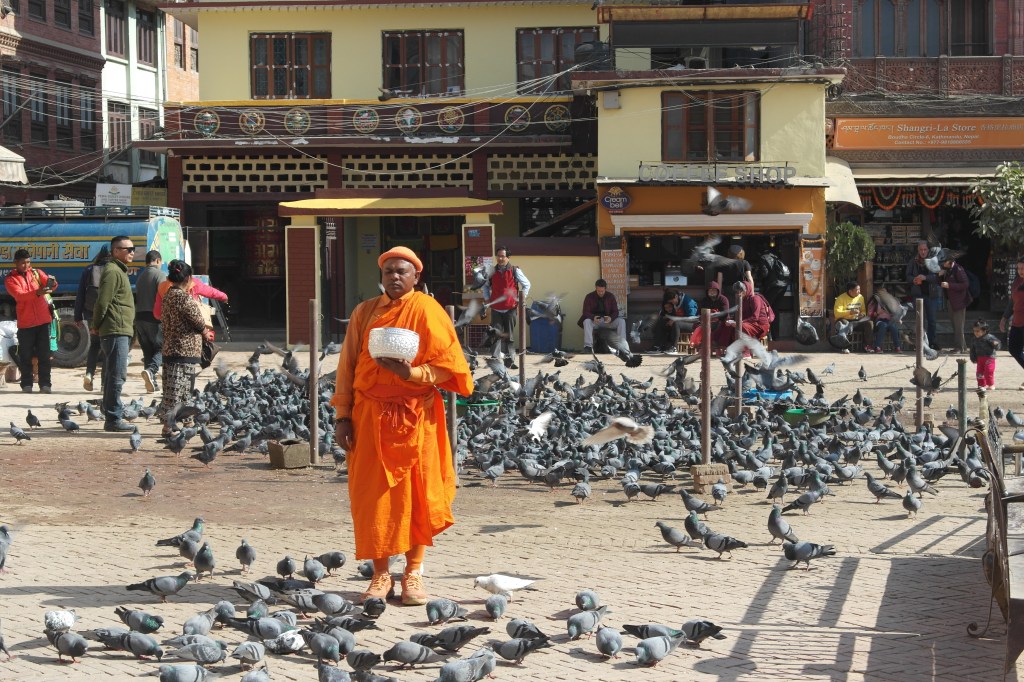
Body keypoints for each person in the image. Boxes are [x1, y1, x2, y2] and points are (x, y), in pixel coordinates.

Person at [331, 246, 473, 606]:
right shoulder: (364, 313)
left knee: (420, 496)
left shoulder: (428, 311)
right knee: (373, 498)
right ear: (381, 276)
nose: (394, 277)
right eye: (389, 271)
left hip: (418, 418)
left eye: (402, 272)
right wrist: (342, 415)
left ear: (416, 278)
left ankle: (413, 572)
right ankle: (380, 575)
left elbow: (450, 366)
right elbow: (346, 366)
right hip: (369, 416)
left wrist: (410, 373)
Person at [156, 260, 207, 435]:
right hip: (183, 349)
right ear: (188, 278)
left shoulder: (168, 295)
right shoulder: (183, 298)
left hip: (170, 348)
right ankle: (168, 426)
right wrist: (205, 332)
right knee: (177, 390)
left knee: (179, 389)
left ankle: (187, 422)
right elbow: (198, 321)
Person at [91, 235, 136, 432]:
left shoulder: (119, 271)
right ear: (116, 251)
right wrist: (96, 325)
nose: (132, 252)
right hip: (115, 329)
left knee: (113, 375)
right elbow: (103, 302)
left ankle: (111, 414)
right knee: (117, 375)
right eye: (128, 249)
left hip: (120, 329)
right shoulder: (112, 271)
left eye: (133, 248)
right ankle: (113, 418)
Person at [4, 248, 56, 393]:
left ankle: (46, 385)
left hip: (43, 321)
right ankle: (27, 385)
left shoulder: (37, 273)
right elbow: (20, 296)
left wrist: (52, 283)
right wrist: (38, 292)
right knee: (25, 356)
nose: (26, 265)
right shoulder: (10, 279)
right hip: (26, 323)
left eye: (28, 262)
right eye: (23, 263)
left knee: (45, 355)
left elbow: (51, 286)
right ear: (15, 263)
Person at [482, 245, 530, 369]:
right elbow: (485, 286)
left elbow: (527, 284)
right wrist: (487, 298)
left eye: (503, 256)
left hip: (511, 308)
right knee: (495, 334)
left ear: (508, 258)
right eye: (498, 256)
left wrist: (521, 299)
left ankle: (510, 361)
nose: (500, 258)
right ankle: (495, 360)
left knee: (509, 335)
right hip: (496, 308)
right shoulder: (491, 272)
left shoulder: (515, 270)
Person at [74, 247, 109, 391]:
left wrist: (78, 316)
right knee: (107, 348)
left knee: (94, 345)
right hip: (107, 315)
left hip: (90, 313)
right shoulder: (113, 270)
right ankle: (103, 384)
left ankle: (89, 373)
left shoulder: (89, 270)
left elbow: (81, 293)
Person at [135, 249, 166, 393]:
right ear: (158, 260)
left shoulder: (140, 277)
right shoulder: (160, 275)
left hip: (140, 317)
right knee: (161, 348)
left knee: (147, 351)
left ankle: (151, 383)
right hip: (154, 318)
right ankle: (151, 370)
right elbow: (164, 297)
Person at [906, 240, 942, 349]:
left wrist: (925, 278)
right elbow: (907, 276)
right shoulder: (913, 261)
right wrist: (914, 280)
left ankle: (932, 342)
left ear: (928, 250)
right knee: (919, 321)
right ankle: (920, 343)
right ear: (918, 250)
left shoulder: (933, 260)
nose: (923, 252)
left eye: (925, 249)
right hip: (918, 295)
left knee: (932, 320)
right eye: (921, 249)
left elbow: (937, 277)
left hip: (931, 295)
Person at [578, 278, 627, 352]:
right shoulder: (589, 297)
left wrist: (611, 318)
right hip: (595, 321)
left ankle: (622, 347)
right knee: (586, 321)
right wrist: (593, 317)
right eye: (598, 291)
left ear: (605, 289)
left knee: (621, 321)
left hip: (608, 321)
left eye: (602, 291)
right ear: (595, 288)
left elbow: (615, 311)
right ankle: (588, 347)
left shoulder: (610, 296)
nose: (600, 293)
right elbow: (585, 312)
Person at [999, 256, 1024, 390]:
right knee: (1014, 349)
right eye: (1019, 268)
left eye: (1023, 268)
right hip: (1017, 321)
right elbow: (1012, 302)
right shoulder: (1016, 281)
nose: (1021, 271)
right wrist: (1004, 318)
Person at [939, 250, 970, 354]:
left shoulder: (958, 269)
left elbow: (965, 284)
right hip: (951, 301)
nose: (942, 264)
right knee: (955, 325)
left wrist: (950, 285)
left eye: (944, 262)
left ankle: (959, 348)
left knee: (958, 326)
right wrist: (940, 275)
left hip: (959, 302)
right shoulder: (948, 269)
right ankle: (962, 347)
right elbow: (939, 282)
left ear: (949, 261)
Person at [756, 249, 790, 339]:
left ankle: (767, 334)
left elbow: (764, 273)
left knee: (766, 310)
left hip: (772, 286)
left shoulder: (763, 258)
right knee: (775, 310)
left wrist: (757, 277)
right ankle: (776, 336)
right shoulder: (776, 257)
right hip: (782, 286)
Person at [689, 283, 732, 352]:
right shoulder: (704, 300)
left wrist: (715, 317)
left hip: (721, 320)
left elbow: (725, 313)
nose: (712, 292)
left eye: (714, 290)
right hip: (707, 321)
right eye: (710, 290)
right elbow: (700, 313)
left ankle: (718, 346)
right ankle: (700, 346)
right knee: (698, 326)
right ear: (707, 292)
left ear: (718, 291)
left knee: (725, 326)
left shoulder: (723, 299)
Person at [652, 287, 698, 352]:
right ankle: (657, 346)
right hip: (677, 322)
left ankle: (674, 347)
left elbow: (691, 319)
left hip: (692, 324)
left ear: (676, 296)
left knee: (676, 323)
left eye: (672, 301)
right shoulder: (675, 302)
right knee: (661, 322)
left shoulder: (688, 302)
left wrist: (675, 319)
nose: (672, 303)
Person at [832, 281, 873, 353]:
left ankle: (867, 346)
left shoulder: (860, 297)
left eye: (859, 289)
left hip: (857, 321)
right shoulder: (841, 298)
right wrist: (850, 312)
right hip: (845, 320)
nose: (859, 291)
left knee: (869, 323)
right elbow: (837, 314)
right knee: (845, 323)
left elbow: (863, 311)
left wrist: (862, 315)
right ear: (850, 291)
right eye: (857, 290)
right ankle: (844, 346)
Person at [970, 320, 1000, 392]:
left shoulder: (990, 337)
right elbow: (973, 349)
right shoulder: (974, 339)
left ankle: (991, 384)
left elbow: (997, 344)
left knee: (988, 371)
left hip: (989, 358)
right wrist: (973, 357)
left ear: (984, 331)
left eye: (978, 331)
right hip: (980, 358)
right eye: (974, 331)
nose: (975, 333)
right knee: (979, 373)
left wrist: (996, 344)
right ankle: (981, 385)